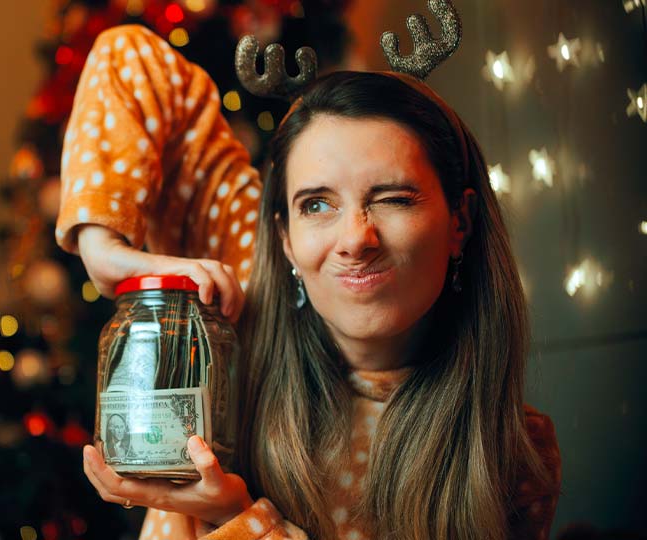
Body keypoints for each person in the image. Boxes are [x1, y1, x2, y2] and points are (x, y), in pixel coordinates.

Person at [56, 14, 561, 540]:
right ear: (284, 238)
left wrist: (237, 520)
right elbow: (130, 57)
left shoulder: (514, 451)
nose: (355, 239)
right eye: (317, 204)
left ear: (461, 222)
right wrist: (107, 253)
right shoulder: (245, 279)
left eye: (392, 199)